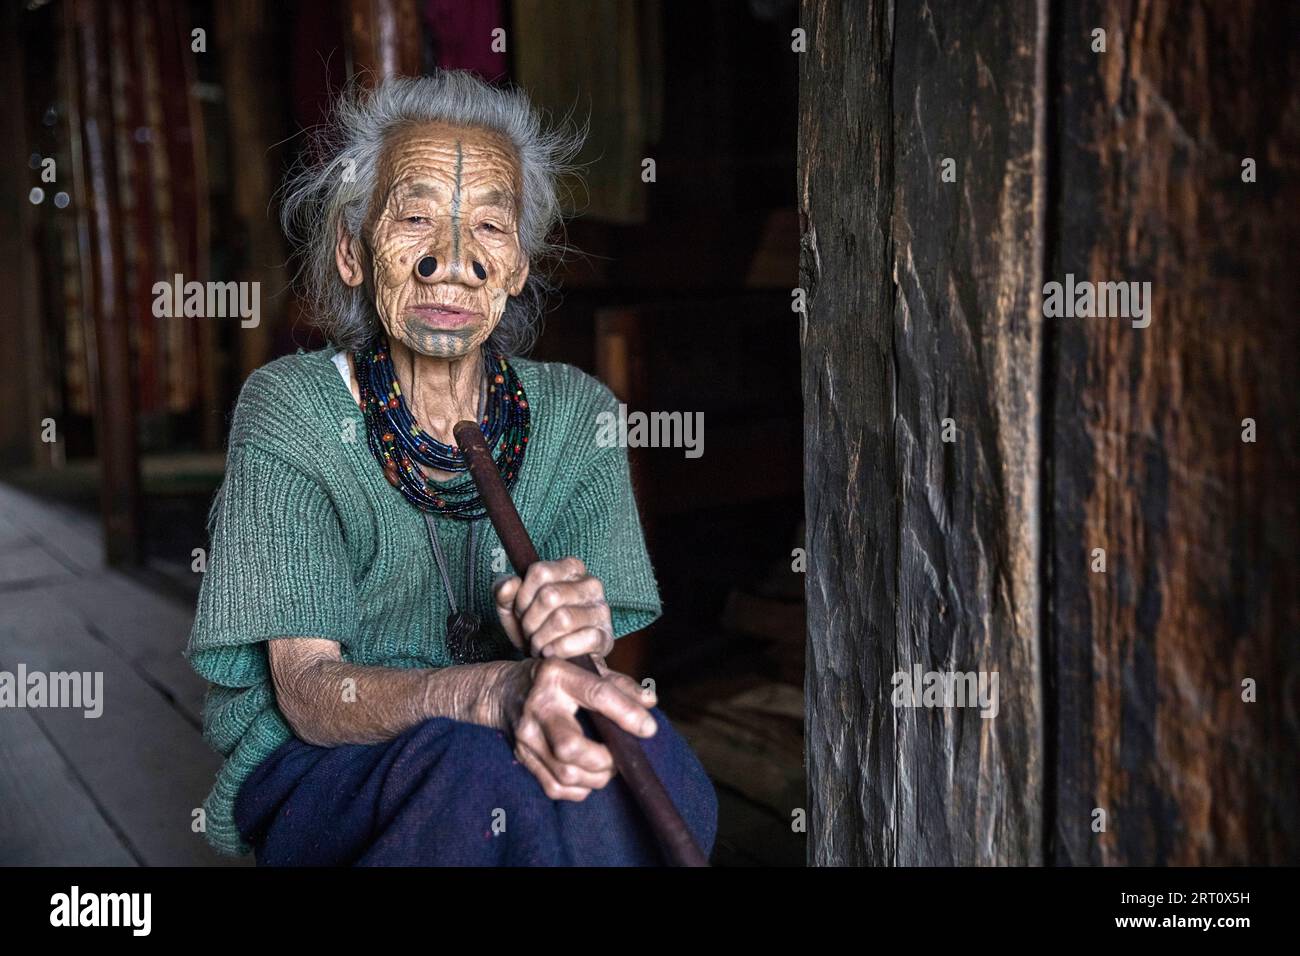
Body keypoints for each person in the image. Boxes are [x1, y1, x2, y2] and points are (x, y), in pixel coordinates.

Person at [185, 71, 717, 865]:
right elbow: (308, 692)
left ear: (520, 264)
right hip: (325, 758)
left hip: (498, 747)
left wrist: (574, 642)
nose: (453, 261)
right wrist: (490, 692)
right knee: (480, 778)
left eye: (491, 229)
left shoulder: (577, 416)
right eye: (414, 218)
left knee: (650, 767)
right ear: (352, 251)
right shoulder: (291, 410)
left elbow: (586, 675)